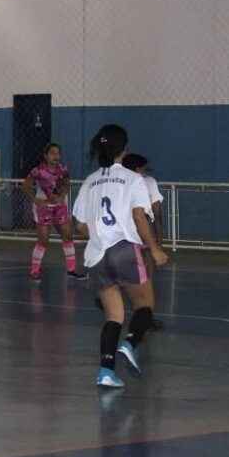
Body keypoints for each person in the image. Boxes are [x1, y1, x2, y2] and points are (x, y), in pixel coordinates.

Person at [72, 125, 168, 388]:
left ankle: (105, 371)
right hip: (124, 249)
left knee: (113, 315)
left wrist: (99, 231)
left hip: (96, 255)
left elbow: (78, 225)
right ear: (124, 149)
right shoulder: (133, 179)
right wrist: (155, 248)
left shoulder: (90, 181)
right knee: (145, 305)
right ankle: (130, 342)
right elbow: (139, 216)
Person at [22, 143, 86, 282]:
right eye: (52, 153)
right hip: (44, 207)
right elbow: (26, 185)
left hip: (59, 206)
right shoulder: (37, 170)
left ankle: (71, 270)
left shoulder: (63, 169)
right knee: (43, 240)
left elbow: (67, 183)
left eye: (58, 153)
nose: (56, 156)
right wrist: (35, 200)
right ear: (46, 155)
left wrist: (62, 195)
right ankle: (34, 271)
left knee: (68, 236)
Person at [123, 153, 165, 330]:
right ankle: (145, 316)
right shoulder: (148, 182)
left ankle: (120, 306)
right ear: (138, 169)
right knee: (146, 274)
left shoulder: (120, 183)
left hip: (123, 233)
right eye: (144, 168)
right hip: (142, 230)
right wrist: (158, 236)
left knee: (126, 273)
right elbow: (156, 210)